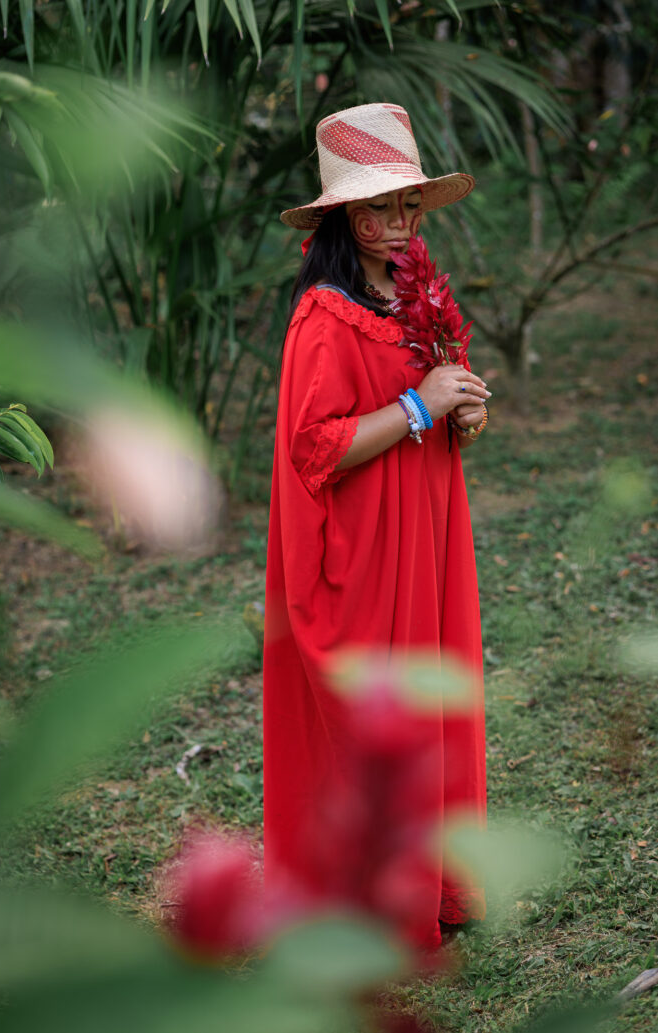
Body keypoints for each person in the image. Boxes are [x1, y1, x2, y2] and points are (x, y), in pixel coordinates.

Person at [263, 103, 488, 948]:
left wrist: (460, 410)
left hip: (426, 532)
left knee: (433, 694)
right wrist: (415, 405)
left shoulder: (418, 290)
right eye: (375, 209)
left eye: (407, 207)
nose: (396, 225)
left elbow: (439, 390)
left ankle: (433, 880)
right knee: (380, 713)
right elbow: (315, 448)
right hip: (363, 547)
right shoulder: (323, 317)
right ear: (342, 218)